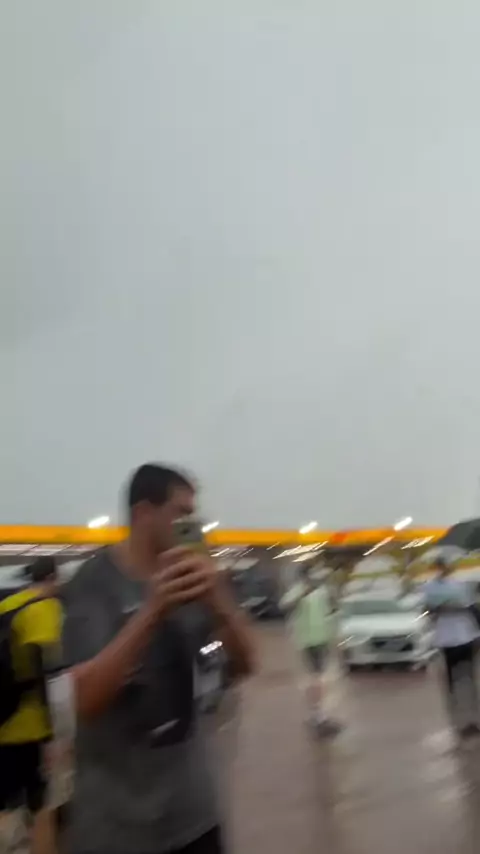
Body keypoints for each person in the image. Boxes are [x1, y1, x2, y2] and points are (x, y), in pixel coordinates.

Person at [62, 463, 254, 854]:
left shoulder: (192, 580)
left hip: (194, 816)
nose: (191, 525)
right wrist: (153, 610)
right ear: (143, 514)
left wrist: (218, 599)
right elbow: (84, 700)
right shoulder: (93, 584)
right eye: (181, 513)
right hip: (116, 830)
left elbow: (246, 664)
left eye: (193, 515)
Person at [0, 556, 64, 854]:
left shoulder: (7, 605)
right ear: (53, 577)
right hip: (32, 725)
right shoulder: (45, 608)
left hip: (2, 721)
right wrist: (55, 735)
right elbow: (50, 673)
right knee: (42, 805)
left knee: (6, 802)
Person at [424, 557, 479, 738]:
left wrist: (460, 608)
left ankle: (473, 720)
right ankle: (458, 722)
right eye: (439, 566)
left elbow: (472, 609)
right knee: (451, 682)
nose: (442, 569)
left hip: (465, 636)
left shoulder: (460, 584)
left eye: (445, 566)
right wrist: (439, 608)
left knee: (469, 679)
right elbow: (428, 610)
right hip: (446, 639)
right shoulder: (430, 587)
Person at [281, 562, 339, 734]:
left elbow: (331, 608)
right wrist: (302, 593)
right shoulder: (297, 590)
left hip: (323, 638)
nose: (314, 577)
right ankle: (319, 716)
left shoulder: (322, 590)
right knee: (316, 678)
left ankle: (320, 714)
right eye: (311, 574)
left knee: (322, 678)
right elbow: (285, 605)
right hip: (308, 641)